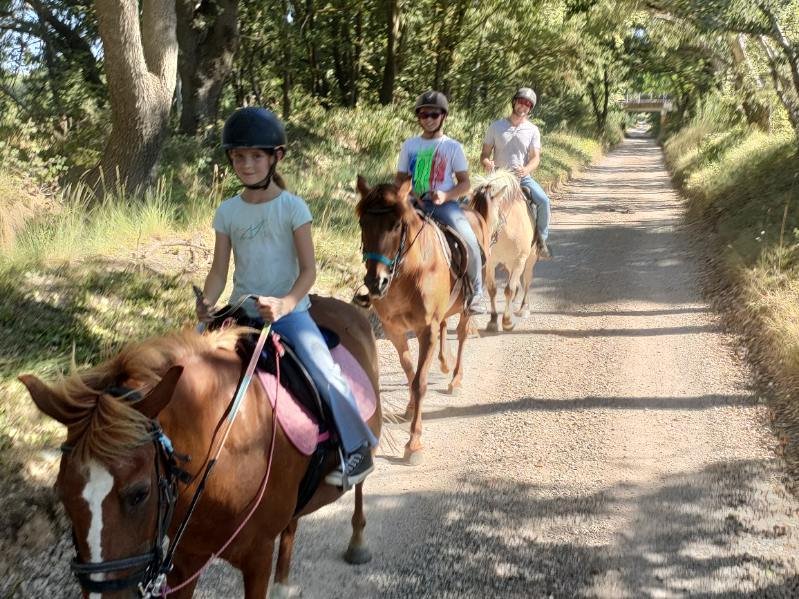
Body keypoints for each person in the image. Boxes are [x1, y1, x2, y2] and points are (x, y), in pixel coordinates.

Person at [197, 106, 377, 488]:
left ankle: (358, 447)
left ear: (275, 157)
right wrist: (207, 303)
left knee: (323, 368)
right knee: (187, 363)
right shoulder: (228, 211)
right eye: (238, 157)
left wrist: (285, 304)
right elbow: (218, 272)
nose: (246, 165)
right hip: (239, 310)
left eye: (255, 156)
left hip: (289, 312)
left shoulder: (293, 208)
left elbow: (308, 271)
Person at [394, 90, 485, 315]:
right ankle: (380, 288)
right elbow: (400, 177)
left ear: (443, 116)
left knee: (469, 240)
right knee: (385, 235)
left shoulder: (452, 147)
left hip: (444, 204)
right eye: (424, 114)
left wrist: (445, 195)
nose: (428, 119)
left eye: (433, 114)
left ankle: (475, 294)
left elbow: (465, 183)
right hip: (414, 203)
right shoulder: (410, 145)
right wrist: (410, 192)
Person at [481, 87, 552, 259]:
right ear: (514, 102)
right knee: (471, 200)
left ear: (530, 108)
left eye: (528, 104)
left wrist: (526, 169)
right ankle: (475, 241)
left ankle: (541, 241)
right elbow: (484, 154)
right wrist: (487, 162)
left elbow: (535, 158)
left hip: (521, 178)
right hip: (498, 176)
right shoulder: (496, 126)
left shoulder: (533, 130)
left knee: (543, 201)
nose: (523, 106)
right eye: (521, 101)